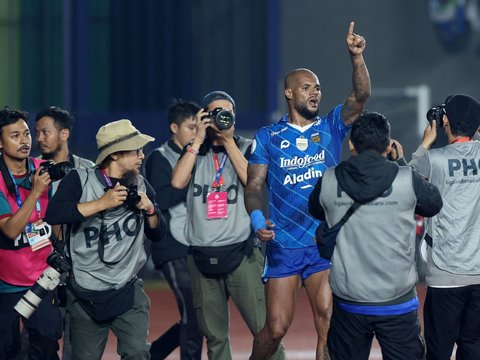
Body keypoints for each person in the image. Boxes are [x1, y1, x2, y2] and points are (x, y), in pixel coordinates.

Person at [245, 21, 371, 360]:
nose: (315, 92)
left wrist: (356, 58)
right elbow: (254, 186)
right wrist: (257, 220)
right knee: (275, 329)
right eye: (306, 87)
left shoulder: (331, 127)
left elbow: (359, 97)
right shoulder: (268, 137)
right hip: (284, 244)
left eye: (317, 87)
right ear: (289, 93)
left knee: (328, 319)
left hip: (323, 243)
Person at [308, 111, 442, 359]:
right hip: (397, 301)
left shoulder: (328, 180)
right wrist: (400, 163)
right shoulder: (406, 179)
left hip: (349, 302)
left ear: (351, 144)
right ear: (389, 144)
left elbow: (316, 209)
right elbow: (433, 204)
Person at [171, 91, 285, 360]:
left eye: (227, 112)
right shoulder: (195, 151)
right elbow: (177, 182)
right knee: (215, 338)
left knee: (265, 331)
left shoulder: (247, 147)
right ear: (204, 117)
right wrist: (198, 138)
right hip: (200, 258)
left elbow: (252, 180)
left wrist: (228, 141)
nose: (222, 117)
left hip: (241, 255)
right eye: (215, 112)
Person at [45, 119, 165, 360]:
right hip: (84, 292)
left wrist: (151, 210)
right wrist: (102, 203)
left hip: (127, 290)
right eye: (136, 150)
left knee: (138, 352)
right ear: (116, 154)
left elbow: (158, 233)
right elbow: (54, 214)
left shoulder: (140, 184)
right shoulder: (79, 180)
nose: (142, 155)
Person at [408, 94, 480, 359]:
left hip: (445, 274)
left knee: (438, 350)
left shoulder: (434, 159)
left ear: (445, 120)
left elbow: (405, 180)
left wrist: (426, 143)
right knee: (473, 345)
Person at [0, 108, 62, 359]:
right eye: (15, 135)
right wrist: (36, 192)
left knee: (47, 340)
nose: (25, 140)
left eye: (26, 134)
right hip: (6, 282)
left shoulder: (42, 169)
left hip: (42, 277)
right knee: (8, 350)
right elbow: (11, 229)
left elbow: (58, 217)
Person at [34, 105, 94, 360]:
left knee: (77, 341)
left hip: (78, 266)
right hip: (39, 265)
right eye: (36, 133)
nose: (39, 139)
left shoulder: (88, 170)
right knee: (41, 339)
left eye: (45, 132)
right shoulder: (31, 171)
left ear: (65, 134)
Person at [144, 99, 203, 359]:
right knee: (194, 311)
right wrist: (190, 179)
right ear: (174, 128)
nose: (195, 132)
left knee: (200, 313)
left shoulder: (203, 153)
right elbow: (162, 199)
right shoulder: (159, 157)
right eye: (191, 127)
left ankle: (156, 352)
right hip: (171, 246)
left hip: (196, 243)